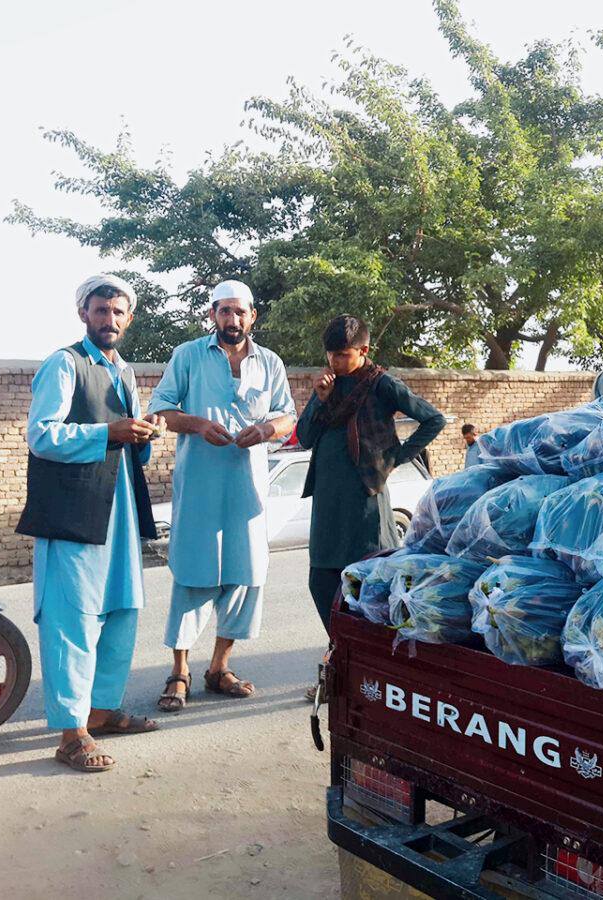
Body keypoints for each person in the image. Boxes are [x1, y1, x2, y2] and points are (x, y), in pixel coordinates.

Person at [16, 275, 163, 772]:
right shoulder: (65, 364)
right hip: (75, 514)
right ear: (84, 314)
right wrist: (108, 431)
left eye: (118, 312)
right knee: (72, 619)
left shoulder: (124, 372)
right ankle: (71, 733)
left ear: (129, 318)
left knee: (121, 611)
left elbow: (129, 445)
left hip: (119, 512)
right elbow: (42, 435)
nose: (110, 319)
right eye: (101, 310)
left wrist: (144, 435)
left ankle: (100, 712)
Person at [149, 280, 296, 712]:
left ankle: (219, 668)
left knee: (243, 577)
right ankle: (179, 671)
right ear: (212, 314)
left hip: (248, 490)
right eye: (224, 311)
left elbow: (288, 416)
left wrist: (266, 429)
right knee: (192, 576)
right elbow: (161, 410)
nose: (232, 319)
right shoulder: (188, 355)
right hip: (199, 488)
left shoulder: (270, 362)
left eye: (240, 312)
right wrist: (196, 424)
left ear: (253, 316)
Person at [296, 314, 446, 636]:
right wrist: (319, 400)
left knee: (369, 587)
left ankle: (366, 656)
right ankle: (339, 650)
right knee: (321, 583)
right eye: (331, 354)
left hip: (365, 501)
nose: (335, 362)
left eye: (343, 355)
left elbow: (434, 419)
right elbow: (305, 437)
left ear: (363, 350)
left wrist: (396, 457)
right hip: (327, 502)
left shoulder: (381, 384)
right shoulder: (328, 386)